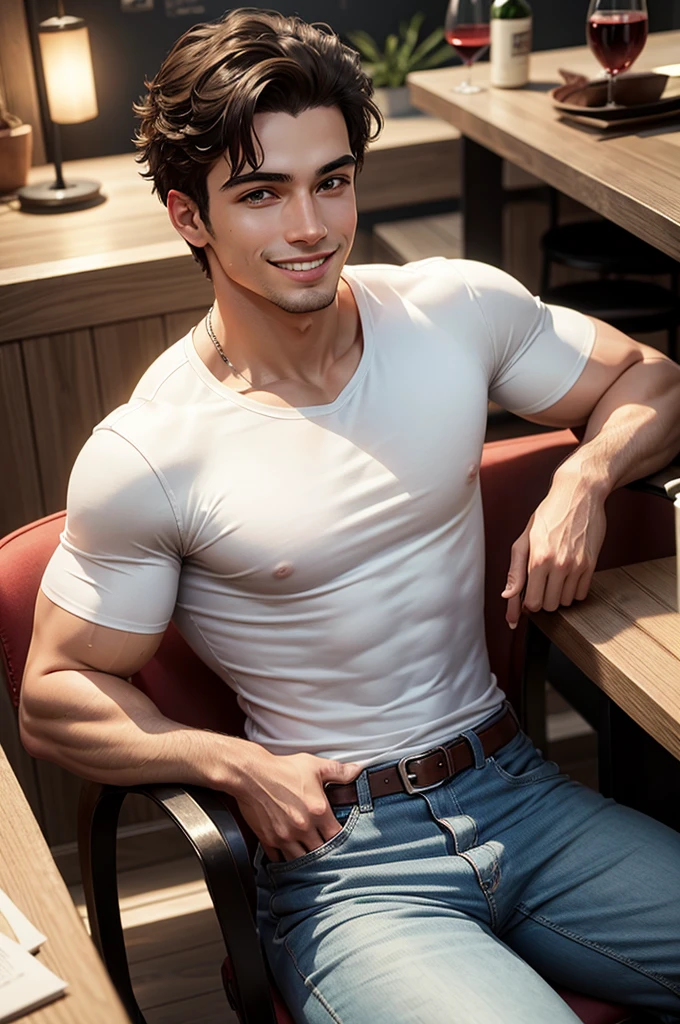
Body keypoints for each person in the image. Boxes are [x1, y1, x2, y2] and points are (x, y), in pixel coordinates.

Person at [20, 10, 680, 1023]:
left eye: (330, 180)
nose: (310, 226)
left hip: (521, 789)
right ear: (188, 216)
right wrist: (228, 761)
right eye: (260, 193)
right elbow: (54, 692)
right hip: (347, 865)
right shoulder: (152, 448)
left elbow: (651, 381)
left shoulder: (451, 312)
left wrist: (581, 480)